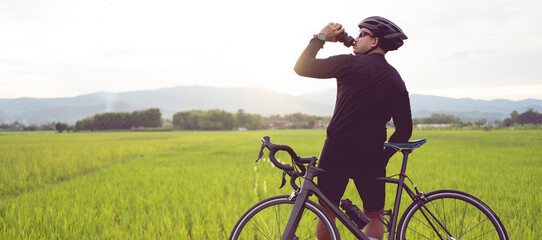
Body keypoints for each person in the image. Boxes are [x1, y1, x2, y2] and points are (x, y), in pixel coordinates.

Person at [294, 16, 413, 240]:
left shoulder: (349, 63)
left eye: (361, 34)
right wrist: (384, 157)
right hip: (372, 155)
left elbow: (302, 67)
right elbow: (404, 129)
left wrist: (320, 38)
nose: (355, 38)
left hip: (337, 151)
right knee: (374, 216)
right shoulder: (396, 79)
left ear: (374, 40)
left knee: (327, 212)